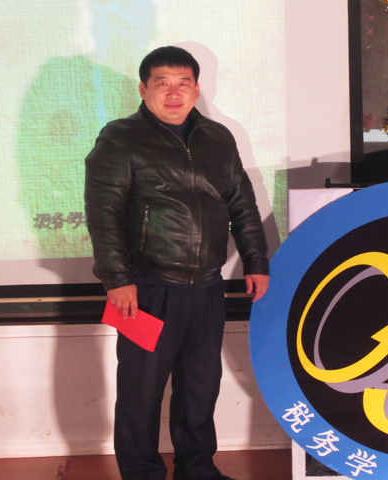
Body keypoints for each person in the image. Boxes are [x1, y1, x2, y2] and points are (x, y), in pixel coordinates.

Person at [84, 46, 269, 480]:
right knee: (141, 393)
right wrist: (117, 278)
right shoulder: (121, 138)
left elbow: (242, 204)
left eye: (183, 83)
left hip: (207, 287)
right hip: (147, 287)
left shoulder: (218, 138)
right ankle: (142, 473)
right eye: (162, 83)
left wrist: (256, 260)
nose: (173, 93)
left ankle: (197, 469)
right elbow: (103, 213)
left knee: (200, 388)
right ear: (143, 89)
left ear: (196, 89)